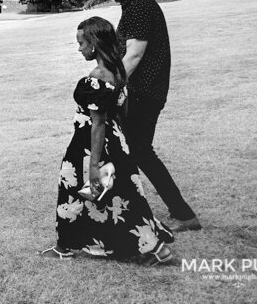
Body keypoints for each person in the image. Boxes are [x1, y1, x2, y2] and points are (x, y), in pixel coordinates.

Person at [43, 16, 174, 264]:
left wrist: (93, 164)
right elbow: (120, 114)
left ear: (93, 44)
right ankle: (152, 246)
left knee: (71, 190)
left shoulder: (96, 77)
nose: (79, 48)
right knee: (124, 194)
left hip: (87, 145)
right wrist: (119, 146)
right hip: (115, 142)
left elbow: (98, 123)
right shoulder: (119, 72)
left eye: (81, 43)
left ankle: (65, 246)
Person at [100, 0, 201, 232]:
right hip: (140, 91)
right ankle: (124, 208)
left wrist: (110, 86)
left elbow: (133, 55)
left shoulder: (140, 7)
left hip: (144, 92)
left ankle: (183, 214)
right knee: (133, 151)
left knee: (140, 151)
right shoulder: (134, 7)